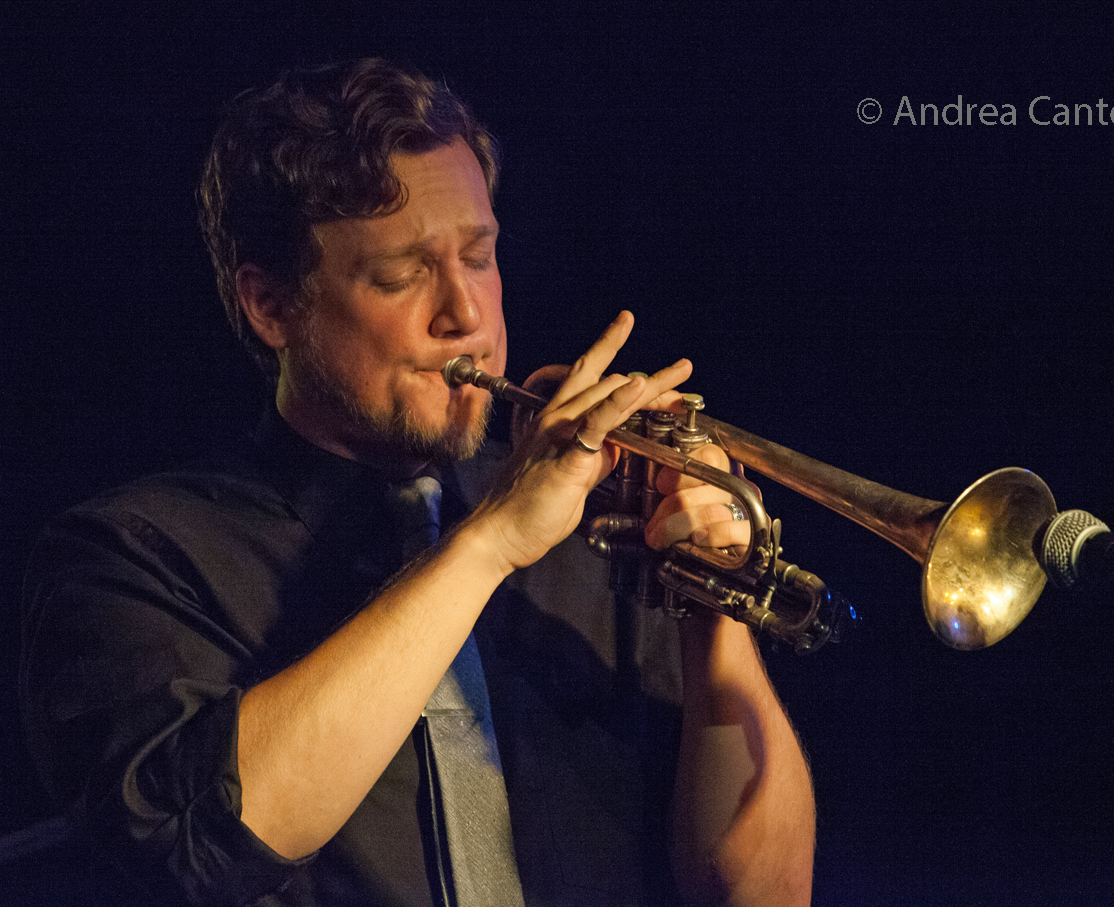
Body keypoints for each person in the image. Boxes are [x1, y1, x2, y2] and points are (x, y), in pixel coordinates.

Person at [19, 58, 814, 906]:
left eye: (480, 256)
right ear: (271, 306)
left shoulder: (600, 529)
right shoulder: (131, 555)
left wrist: (713, 611)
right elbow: (201, 848)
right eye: (402, 275)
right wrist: (492, 541)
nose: (465, 315)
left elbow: (764, 894)